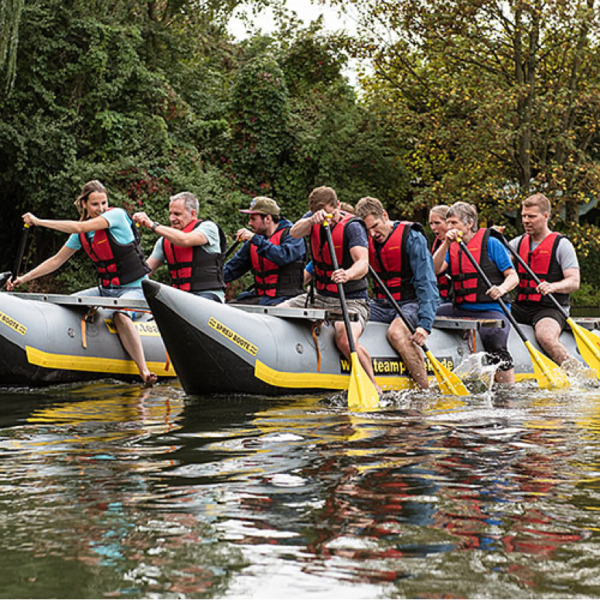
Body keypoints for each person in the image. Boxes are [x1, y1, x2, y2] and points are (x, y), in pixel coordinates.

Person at [6, 180, 157, 385]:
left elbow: (79, 226)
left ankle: (144, 370)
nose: (101, 209)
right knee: (68, 303)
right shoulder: (84, 235)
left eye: (103, 203)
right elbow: (56, 261)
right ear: (84, 204)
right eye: (95, 204)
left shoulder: (116, 216)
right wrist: (23, 278)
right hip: (106, 291)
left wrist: (38, 221)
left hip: (136, 289)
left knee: (120, 315)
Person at [284, 186, 381, 393]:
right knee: (280, 310)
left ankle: (373, 386)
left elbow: (362, 263)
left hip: (351, 300)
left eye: (330, 212)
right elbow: (293, 233)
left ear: (337, 205)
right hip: (319, 296)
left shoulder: (353, 227)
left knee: (345, 340)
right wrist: (312, 220)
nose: (326, 217)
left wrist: (347, 274)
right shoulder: (312, 218)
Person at [355, 197, 439, 389]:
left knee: (396, 332)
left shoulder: (412, 237)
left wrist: (424, 325)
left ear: (384, 215)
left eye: (375, 226)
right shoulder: (363, 241)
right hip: (380, 304)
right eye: (367, 230)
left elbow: (426, 283)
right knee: (349, 320)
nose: (373, 234)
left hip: (411, 302)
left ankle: (424, 390)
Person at [432, 201, 519, 384]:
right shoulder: (452, 246)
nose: (449, 227)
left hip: (491, 310)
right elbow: (435, 268)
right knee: (426, 315)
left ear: (469, 223)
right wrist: (446, 244)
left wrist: (501, 288)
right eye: (448, 223)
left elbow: (513, 276)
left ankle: (507, 393)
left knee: (494, 341)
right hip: (461, 308)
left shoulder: (491, 243)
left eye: (454, 223)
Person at [509, 193, 580, 365]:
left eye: (531, 216)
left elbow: (574, 281)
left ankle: (574, 373)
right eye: (524, 216)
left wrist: (553, 287)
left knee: (546, 337)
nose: (526, 220)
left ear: (546, 216)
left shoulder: (562, 245)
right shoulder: (516, 244)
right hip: (520, 306)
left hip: (550, 308)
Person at [133, 192, 226, 303]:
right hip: (179, 297)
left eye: (177, 214)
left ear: (193, 214)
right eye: (170, 213)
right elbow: (146, 271)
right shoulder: (164, 241)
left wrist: (152, 225)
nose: (172, 218)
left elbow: (185, 240)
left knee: (192, 307)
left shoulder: (208, 228)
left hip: (208, 295)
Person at [223, 196, 306, 306]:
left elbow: (283, 256)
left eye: (253, 219)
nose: (249, 223)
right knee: (231, 307)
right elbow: (233, 268)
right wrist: (210, 279)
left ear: (267, 218)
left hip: (287, 299)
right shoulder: (255, 240)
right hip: (261, 297)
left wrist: (255, 239)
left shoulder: (293, 235)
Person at [429, 205, 452, 301]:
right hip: (439, 293)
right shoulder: (439, 243)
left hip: (451, 296)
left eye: (437, 223)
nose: (433, 227)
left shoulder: (456, 242)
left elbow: (435, 269)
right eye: (431, 223)